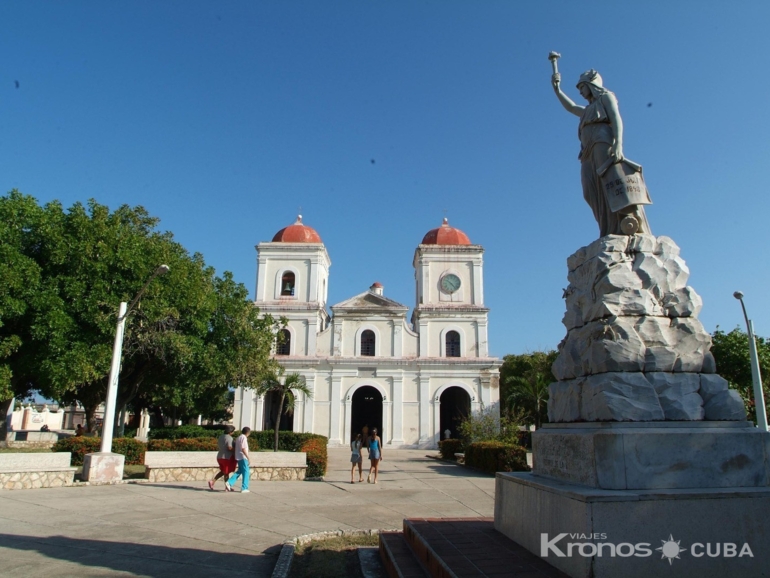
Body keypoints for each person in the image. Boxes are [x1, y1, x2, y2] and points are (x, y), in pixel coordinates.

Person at [551, 68, 650, 237]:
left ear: (592, 84)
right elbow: (571, 107)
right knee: (589, 190)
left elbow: (616, 118)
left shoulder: (606, 97)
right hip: (587, 152)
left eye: (582, 87)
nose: (581, 92)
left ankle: (622, 224)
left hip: (601, 142)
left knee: (608, 183)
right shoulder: (587, 110)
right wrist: (557, 89)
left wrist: (619, 144)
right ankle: (606, 228)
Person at [209, 425, 236, 491]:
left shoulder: (221, 437)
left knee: (224, 471)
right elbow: (229, 447)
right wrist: (236, 449)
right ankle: (227, 487)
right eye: (233, 431)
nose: (233, 432)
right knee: (226, 472)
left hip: (220, 456)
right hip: (227, 457)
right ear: (230, 432)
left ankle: (214, 482)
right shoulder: (229, 438)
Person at [226, 427, 251, 493]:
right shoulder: (244, 438)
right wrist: (248, 457)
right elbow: (243, 448)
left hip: (238, 457)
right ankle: (244, 487)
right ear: (248, 432)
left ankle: (229, 482)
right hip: (243, 457)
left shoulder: (238, 437)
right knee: (246, 472)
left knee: (239, 471)